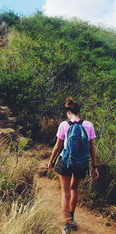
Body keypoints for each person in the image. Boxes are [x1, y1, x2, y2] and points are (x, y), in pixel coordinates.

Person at [48, 97, 99, 233]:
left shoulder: (64, 125)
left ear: (68, 112)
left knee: (65, 193)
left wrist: (51, 161)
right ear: (79, 112)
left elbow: (57, 146)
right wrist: (94, 167)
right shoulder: (88, 125)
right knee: (74, 189)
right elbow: (92, 149)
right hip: (81, 164)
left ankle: (67, 225)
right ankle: (71, 217)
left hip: (65, 162)